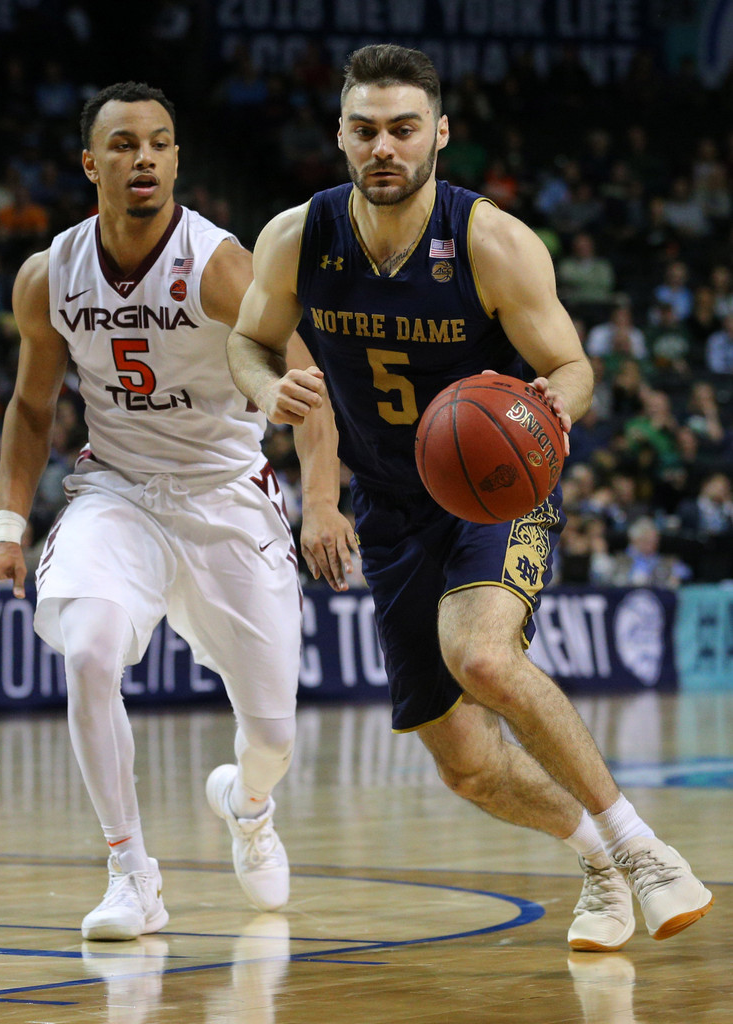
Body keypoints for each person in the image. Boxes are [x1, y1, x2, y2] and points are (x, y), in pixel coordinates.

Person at [224, 44, 713, 952]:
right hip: (387, 504)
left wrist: (541, 414)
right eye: (365, 129)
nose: (384, 147)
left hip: (495, 490)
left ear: (438, 133)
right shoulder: (297, 235)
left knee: (480, 658)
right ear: (338, 135)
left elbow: (573, 365)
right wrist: (265, 393)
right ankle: (596, 862)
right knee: (466, 767)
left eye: (404, 129)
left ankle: (642, 850)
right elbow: (251, 342)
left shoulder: (490, 241)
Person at [0, 82, 304, 941]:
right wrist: (8, 533)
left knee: (270, 733)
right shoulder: (49, 274)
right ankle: (132, 873)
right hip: (117, 491)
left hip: (227, 496)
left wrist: (328, 502)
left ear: (178, 158)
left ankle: (248, 802)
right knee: (87, 650)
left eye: (159, 142)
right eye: (122, 145)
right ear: (92, 164)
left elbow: (306, 379)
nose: (143, 157)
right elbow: (33, 410)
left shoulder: (221, 263)